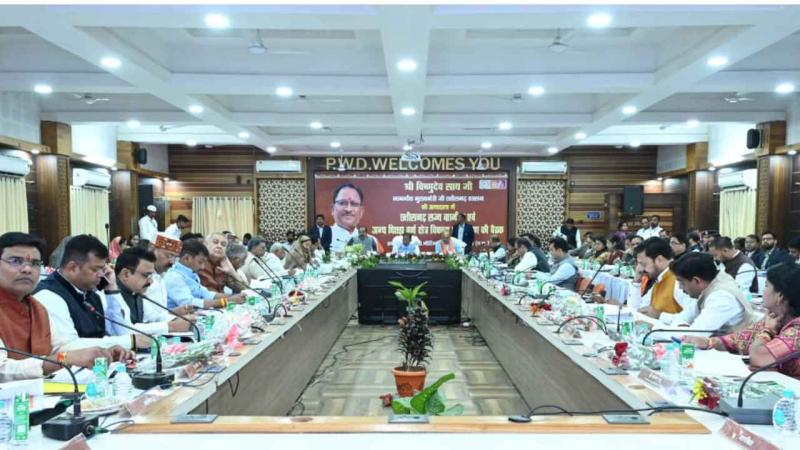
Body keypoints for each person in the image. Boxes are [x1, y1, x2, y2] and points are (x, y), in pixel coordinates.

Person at [0, 232, 129, 381]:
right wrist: (61, 360)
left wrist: (102, 352)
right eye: (16, 261)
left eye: (35, 263)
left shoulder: (37, 308)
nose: (27, 269)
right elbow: (2, 369)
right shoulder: (47, 296)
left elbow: (60, 348)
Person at [681, 263, 800, 379]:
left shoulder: (797, 330)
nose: (763, 291)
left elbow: (758, 357)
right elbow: (738, 340)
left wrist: (767, 331)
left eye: (766, 286)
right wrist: (708, 342)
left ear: (780, 296)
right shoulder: (773, 317)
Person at [33, 234, 150, 351]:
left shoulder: (92, 295)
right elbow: (67, 346)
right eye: (95, 269)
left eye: (103, 269)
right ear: (73, 268)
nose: (101, 274)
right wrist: (129, 341)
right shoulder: (49, 295)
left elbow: (120, 332)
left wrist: (112, 290)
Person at [662, 252, 755, 335]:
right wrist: (681, 325)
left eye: (681, 282)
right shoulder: (708, 288)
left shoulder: (721, 297)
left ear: (696, 281)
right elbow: (682, 318)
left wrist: (682, 328)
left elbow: (694, 336)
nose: (680, 288)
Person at [114, 247, 190, 335]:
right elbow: (125, 329)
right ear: (126, 274)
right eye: (146, 275)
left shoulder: (136, 292)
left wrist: (181, 320)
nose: (150, 281)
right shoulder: (111, 295)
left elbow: (154, 317)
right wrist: (170, 326)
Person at [163, 238, 244, 310]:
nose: (203, 267)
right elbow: (189, 303)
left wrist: (233, 296)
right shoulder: (174, 276)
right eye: (200, 262)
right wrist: (226, 301)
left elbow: (206, 294)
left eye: (223, 244)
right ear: (186, 258)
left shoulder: (191, 273)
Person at [143, 234, 193, 323]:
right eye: (169, 256)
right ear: (152, 249)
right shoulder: (141, 277)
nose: (172, 262)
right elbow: (146, 319)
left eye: (175, 257)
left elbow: (158, 315)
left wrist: (175, 313)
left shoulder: (162, 276)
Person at [636, 238, 692, 317]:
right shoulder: (660, 278)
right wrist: (636, 282)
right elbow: (638, 309)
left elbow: (692, 317)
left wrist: (660, 315)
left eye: (644, 264)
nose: (640, 269)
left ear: (660, 260)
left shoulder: (678, 280)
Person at [330, 183, 364, 253]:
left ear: (361, 211)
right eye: (342, 203)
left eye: (354, 204)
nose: (348, 209)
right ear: (332, 209)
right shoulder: (321, 239)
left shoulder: (372, 241)